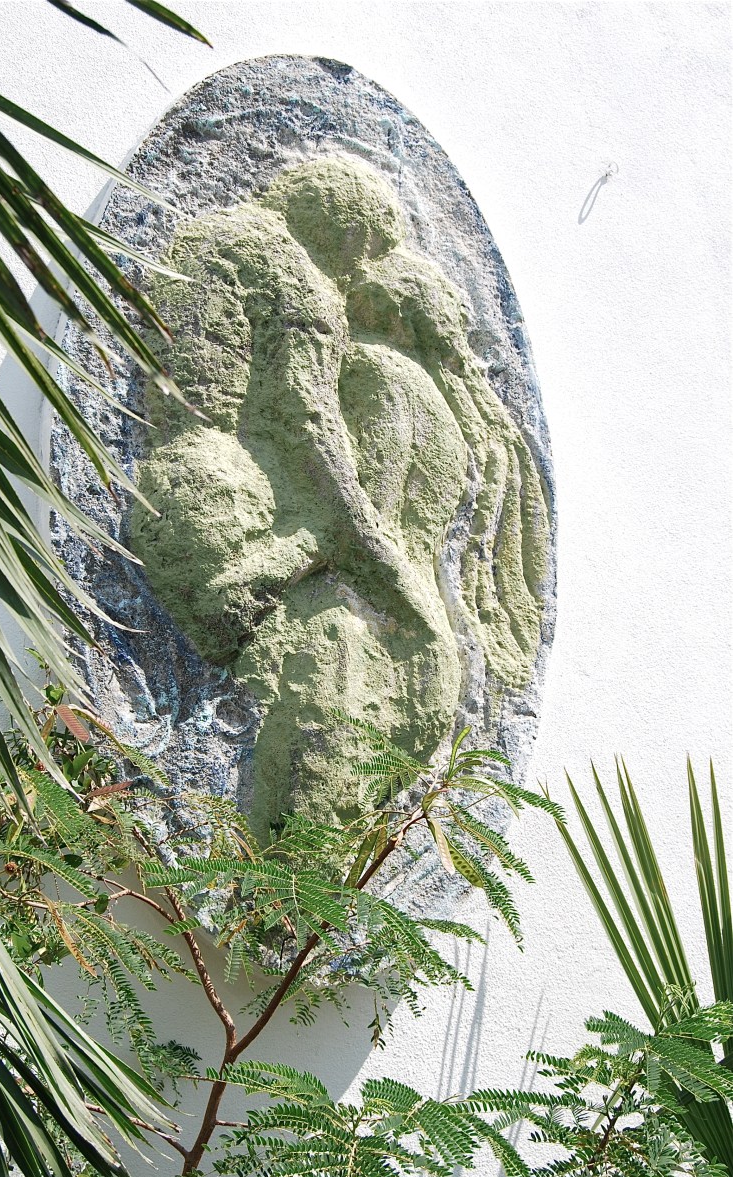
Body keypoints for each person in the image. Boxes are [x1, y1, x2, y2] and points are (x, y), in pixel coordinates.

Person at [133, 157, 549, 842]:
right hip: (223, 502)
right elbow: (308, 424)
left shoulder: (217, 236)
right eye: (368, 248)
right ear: (345, 225)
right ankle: (292, 850)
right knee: (352, 654)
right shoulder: (296, 276)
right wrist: (373, 557)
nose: (361, 272)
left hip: (178, 491)